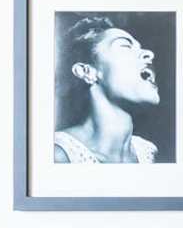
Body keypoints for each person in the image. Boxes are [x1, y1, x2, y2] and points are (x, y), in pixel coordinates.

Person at [53, 12, 162, 166]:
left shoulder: (148, 152)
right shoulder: (58, 156)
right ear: (87, 72)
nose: (149, 54)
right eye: (125, 46)